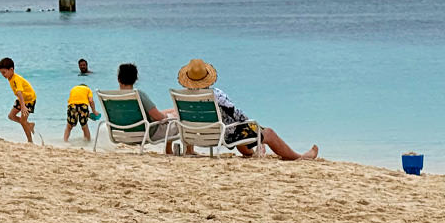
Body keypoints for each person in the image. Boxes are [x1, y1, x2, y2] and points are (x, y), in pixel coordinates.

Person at [175, 59, 318, 160]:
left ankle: (253, 151)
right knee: (268, 133)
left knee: (244, 132)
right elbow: (237, 114)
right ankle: (299, 157)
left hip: (199, 135)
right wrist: (253, 125)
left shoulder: (182, 96)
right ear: (207, 77)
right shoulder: (215, 94)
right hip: (224, 134)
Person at [115, 62, 181, 153]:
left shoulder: (114, 97)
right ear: (135, 79)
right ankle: (185, 150)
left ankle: (169, 149)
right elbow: (158, 117)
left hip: (124, 134)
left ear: (118, 79)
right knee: (178, 117)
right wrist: (167, 117)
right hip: (147, 133)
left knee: (173, 110)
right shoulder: (138, 95)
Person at [0, 57, 36, 143]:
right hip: (22, 99)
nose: (3, 75)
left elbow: (19, 92)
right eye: (1, 73)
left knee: (23, 121)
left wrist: (23, 106)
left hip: (29, 100)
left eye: (4, 72)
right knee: (11, 116)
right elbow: (19, 95)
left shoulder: (16, 79)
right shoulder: (10, 78)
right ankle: (29, 125)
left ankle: (30, 141)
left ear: (11, 69)